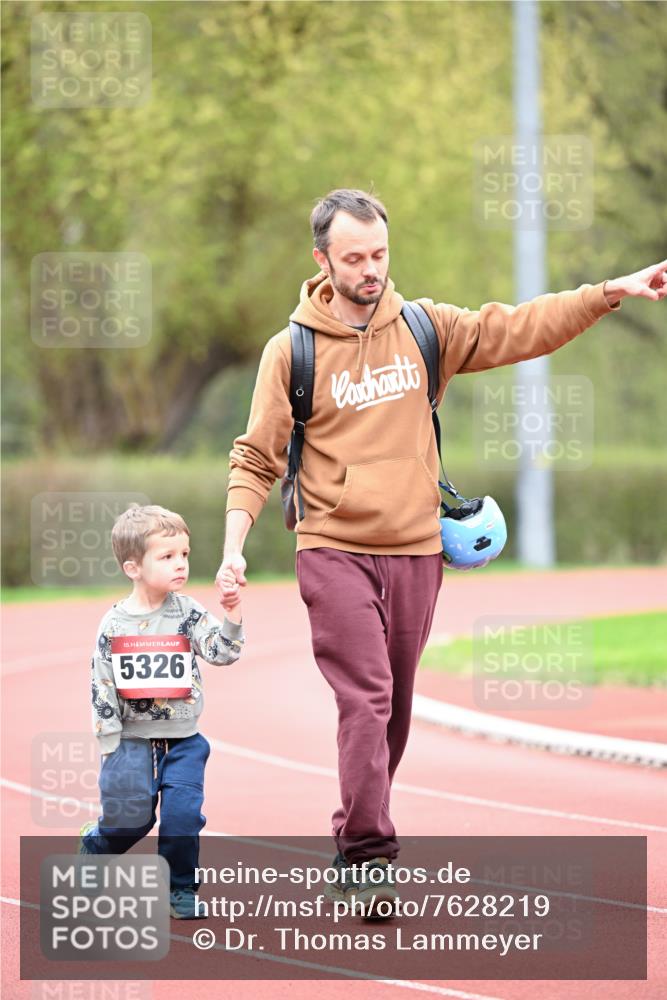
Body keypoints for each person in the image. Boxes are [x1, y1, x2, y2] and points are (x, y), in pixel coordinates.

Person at [216, 188, 666, 910]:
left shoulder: (425, 327)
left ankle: (351, 838)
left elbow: (521, 327)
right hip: (333, 549)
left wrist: (609, 291)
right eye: (354, 257)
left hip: (417, 552)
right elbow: (255, 457)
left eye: (379, 254)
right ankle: (368, 859)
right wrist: (232, 546)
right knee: (364, 702)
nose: (370, 269)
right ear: (321, 258)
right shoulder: (290, 350)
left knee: (391, 712)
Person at [80, 503, 244, 919]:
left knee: (182, 816)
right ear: (133, 567)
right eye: (167, 557)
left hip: (185, 740)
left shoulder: (187, 613)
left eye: (184, 555)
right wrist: (108, 739)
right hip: (131, 741)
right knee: (130, 822)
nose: (180, 565)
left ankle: (181, 887)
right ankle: (97, 845)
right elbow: (102, 683)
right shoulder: (113, 625)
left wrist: (231, 611)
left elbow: (222, 653)